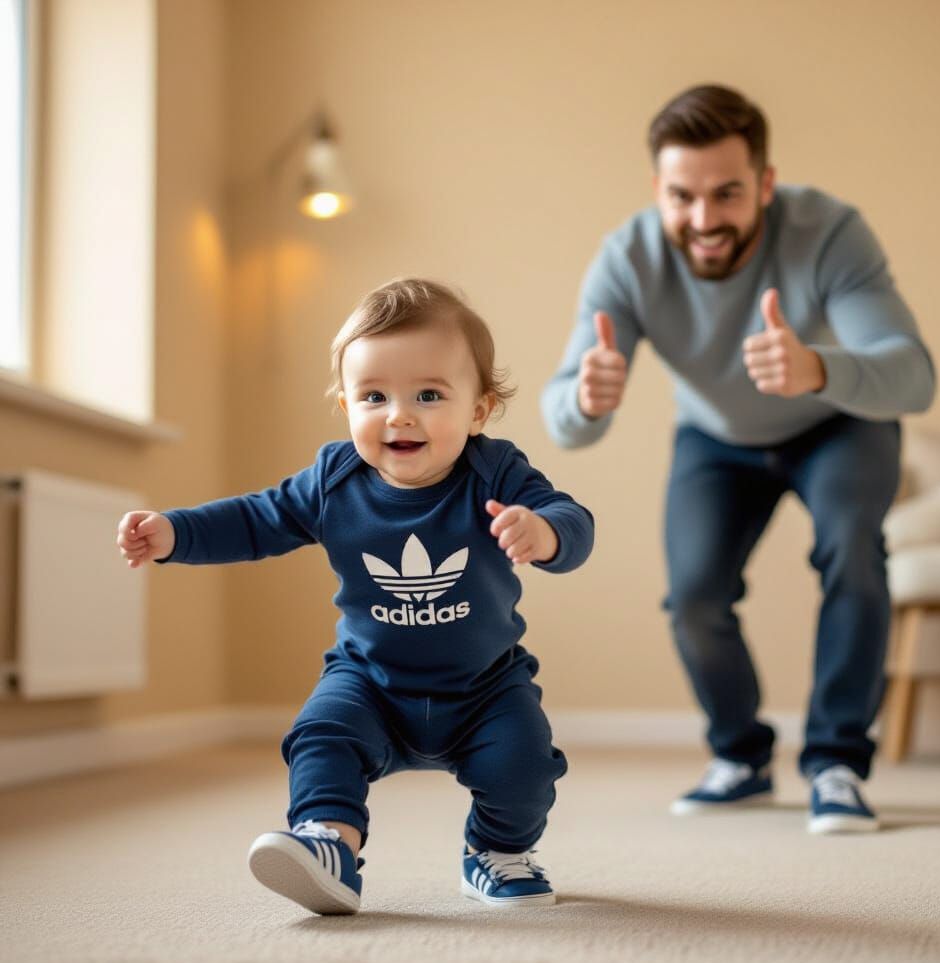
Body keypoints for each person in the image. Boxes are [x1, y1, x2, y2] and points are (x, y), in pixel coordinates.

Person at [117, 278, 594, 913]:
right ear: (347, 408)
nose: (399, 413)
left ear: (479, 410)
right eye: (374, 396)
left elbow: (572, 518)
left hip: (486, 686)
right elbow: (256, 519)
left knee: (525, 767)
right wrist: (176, 533)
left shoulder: (497, 472)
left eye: (429, 394)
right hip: (370, 681)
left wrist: (546, 532)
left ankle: (497, 851)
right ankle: (328, 845)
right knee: (321, 736)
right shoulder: (333, 481)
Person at [542, 84, 935, 835]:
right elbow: (569, 429)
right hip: (715, 440)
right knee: (693, 597)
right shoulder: (628, 257)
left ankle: (837, 764)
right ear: (658, 189)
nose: (703, 220)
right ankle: (741, 758)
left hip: (838, 425)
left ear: (765, 183)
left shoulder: (830, 232)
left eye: (726, 194)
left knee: (852, 551)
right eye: (681, 196)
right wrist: (587, 400)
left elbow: (913, 376)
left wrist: (817, 369)